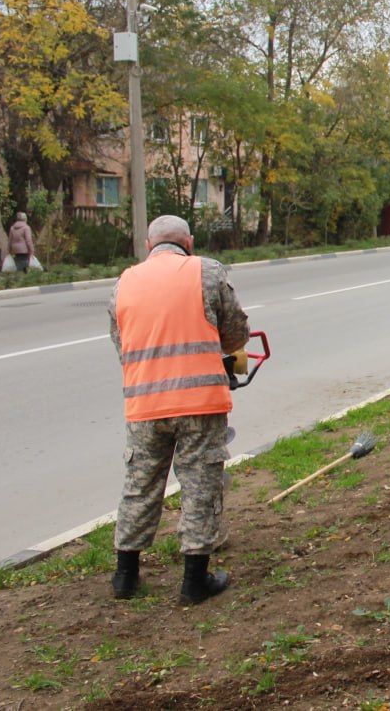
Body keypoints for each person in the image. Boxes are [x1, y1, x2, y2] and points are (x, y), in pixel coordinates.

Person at [107, 215, 250, 604]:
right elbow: (236, 334)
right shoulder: (207, 271)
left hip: (144, 406)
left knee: (139, 487)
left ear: (148, 245)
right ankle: (194, 582)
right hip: (199, 403)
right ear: (189, 242)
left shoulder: (123, 283)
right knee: (200, 486)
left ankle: (125, 576)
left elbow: (122, 345)